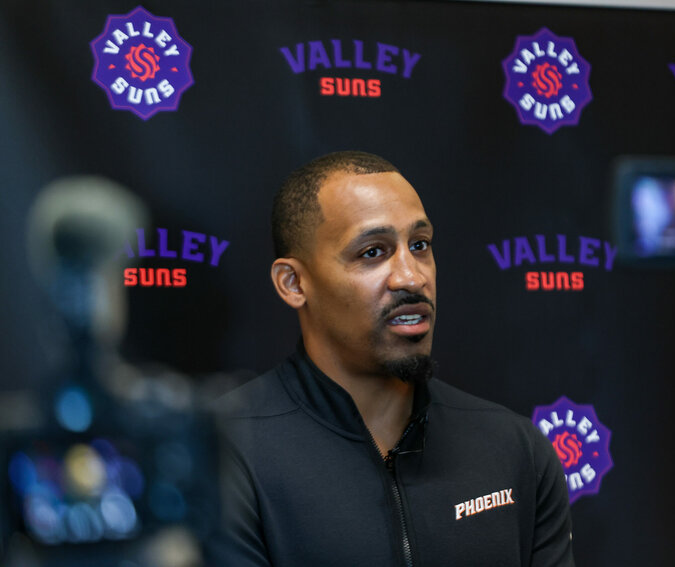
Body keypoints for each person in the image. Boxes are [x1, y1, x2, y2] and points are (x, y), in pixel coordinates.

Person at [213, 151, 575, 566]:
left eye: (420, 245)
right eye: (373, 252)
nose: (412, 277)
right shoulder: (224, 455)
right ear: (294, 283)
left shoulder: (516, 450)